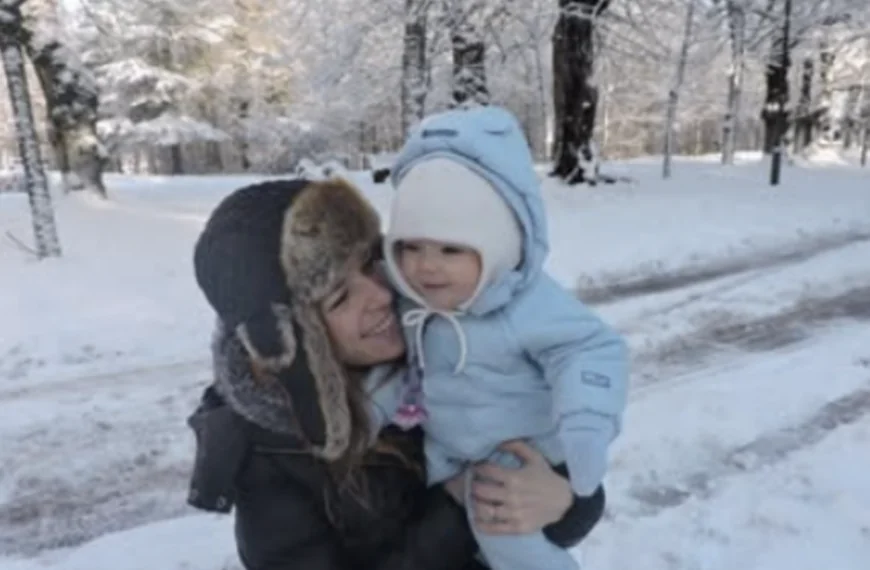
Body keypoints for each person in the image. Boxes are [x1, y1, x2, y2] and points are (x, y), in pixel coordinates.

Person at [185, 177, 607, 570]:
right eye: (340, 297)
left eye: (371, 262)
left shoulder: (439, 350)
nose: (381, 295)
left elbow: (552, 476)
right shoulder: (269, 457)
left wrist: (564, 501)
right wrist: (455, 508)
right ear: (294, 342)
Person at [376, 105, 629, 570]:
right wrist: (368, 411)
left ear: (496, 245)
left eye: (450, 249)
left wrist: (587, 421)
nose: (426, 266)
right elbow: (394, 374)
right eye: (410, 247)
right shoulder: (410, 303)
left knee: (505, 535)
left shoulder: (525, 304)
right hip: (448, 453)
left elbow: (589, 349)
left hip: (518, 455)